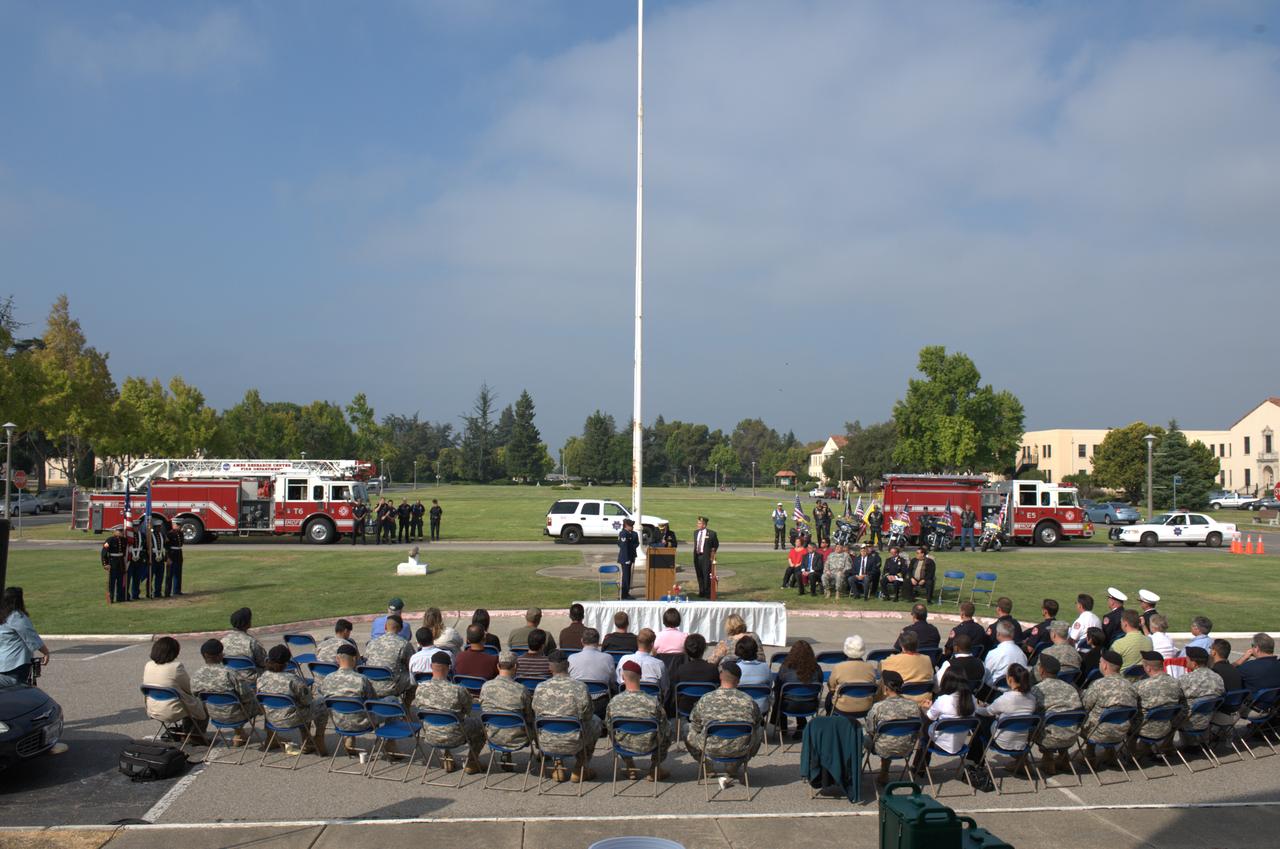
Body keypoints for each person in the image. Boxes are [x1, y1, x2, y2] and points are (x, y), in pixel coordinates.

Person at [684, 661, 764, 784]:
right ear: (738, 680)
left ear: (721, 676)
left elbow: (695, 725)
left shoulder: (706, 699)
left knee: (686, 728)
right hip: (741, 748)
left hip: (710, 747)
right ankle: (733, 767)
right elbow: (758, 724)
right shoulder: (749, 701)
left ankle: (707, 766)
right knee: (759, 731)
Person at [533, 651, 602, 782]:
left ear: (549, 667)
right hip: (574, 740)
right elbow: (588, 715)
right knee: (596, 721)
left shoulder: (540, 688)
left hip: (547, 741)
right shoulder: (580, 687)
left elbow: (536, 712)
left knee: (551, 722)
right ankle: (579, 767)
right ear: (568, 665)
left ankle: (558, 765)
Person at [414, 651, 484, 773]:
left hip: (430, 734)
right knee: (480, 725)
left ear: (431, 667)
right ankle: (472, 762)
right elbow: (468, 710)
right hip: (455, 736)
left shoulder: (421, 688)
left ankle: (447, 756)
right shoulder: (458, 690)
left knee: (441, 719)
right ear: (448, 668)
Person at [257, 644, 328, 755]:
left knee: (271, 703)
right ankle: (315, 739)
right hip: (291, 719)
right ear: (286, 662)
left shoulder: (262, 678)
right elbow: (308, 701)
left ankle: (271, 738)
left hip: (271, 718)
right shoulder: (293, 680)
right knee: (321, 703)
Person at [607, 660, 671, 780]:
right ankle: (654, 768)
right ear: (640, 676)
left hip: (623, 745)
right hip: (649, 744)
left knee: (612, 730)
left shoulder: (614, 702)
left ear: (622, 677)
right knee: (668, 729)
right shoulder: (653, 701)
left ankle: (630, 765)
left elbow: (608, 726)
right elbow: (665, 727)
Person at [190, 638, 258, 746]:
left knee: (232, 702)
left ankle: (240, 734)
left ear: (204, 655)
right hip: (236, 714)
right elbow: (247, 697)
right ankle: (272, 738)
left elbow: (195, 696)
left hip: (213, 714)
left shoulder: (197, 675)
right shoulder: (231, 673)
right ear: (221, 655)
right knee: (264, 702)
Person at [967, 663, 1037, 766]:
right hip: (1021, 743)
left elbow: (987, 712)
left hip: (1002, 742)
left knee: (979, 720)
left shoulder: (1006, 698)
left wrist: (976, 708)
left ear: (1010, 679)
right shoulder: (1032, 699)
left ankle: (977, 760)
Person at [142, 636, 208, 742]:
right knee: (200, 701)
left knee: (184, 699)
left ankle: (187, 732)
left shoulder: (148, 665)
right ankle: (195, 735)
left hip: (154, 708)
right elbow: (190, 689)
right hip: (172, 709)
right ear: (174, 652)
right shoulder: (176, 667)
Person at [913, 667, 977, 773]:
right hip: (960, 744)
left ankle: (919, 767)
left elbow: (930, 717)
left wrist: (925, 709)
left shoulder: (943, 700)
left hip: (940, 745)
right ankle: (919, 767)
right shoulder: (972, 699)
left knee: (923, 720)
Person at [865, 670, 923, 785]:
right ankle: (884, 772)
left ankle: (857, 773)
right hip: (907, 748)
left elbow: (870, 730)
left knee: (868, 738)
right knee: (890, 735)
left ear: (885, 688)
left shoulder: (878, 707)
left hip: (882, 748)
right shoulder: (914, 706)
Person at [317, 644, 376, 754]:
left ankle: (344, 738)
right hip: (361, 723)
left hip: (338, 722)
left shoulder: (328, 678)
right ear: (354, 659)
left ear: (337, 659)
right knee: (391, 702)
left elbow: (322, 694)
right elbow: (373, 702)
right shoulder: (361, 679)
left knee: (323, 701)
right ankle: (390, 746)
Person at [1081, 650, 1138, 764]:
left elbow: (1085, 707)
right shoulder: (1130, 686)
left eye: (1100, 662)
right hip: (1122, 732)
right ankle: (1110, 753)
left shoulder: (1098, 685)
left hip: (1098, 732)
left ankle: (1090, 756)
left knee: (1085, 718)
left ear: (1105, 665)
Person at [480, 650, 534, 768]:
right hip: (517, 738)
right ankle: (550, 759)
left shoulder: (486, 686)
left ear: (498, 666)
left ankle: (504, 753)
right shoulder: (521, 689)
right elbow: (529, 717)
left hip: (492, 736)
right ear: (515, 666)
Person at [1030, 654, 1083, 775]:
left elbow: (1032, 714)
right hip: (1072, 737)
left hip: (1049, 739)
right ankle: (1063, 758)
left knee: (1032, 722)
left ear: (1041, 670)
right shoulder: (1070, 688)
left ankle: (1048, 759)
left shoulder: (1037, 689)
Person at [1133, 650, 1186, 752]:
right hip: (1168, 727)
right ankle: (1165, 746)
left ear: (1148, 668)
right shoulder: (1176, 683)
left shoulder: (1140, 686)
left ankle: (1132, 754)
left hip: (1144, 729)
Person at [773, 640, 822, 739]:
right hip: (810, 706)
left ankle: (783, 727)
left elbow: (778, 685)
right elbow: (820, 684)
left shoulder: (785, 668)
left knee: (781, 694)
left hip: (788, 706)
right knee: (799, 695)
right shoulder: (816, 669)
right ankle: (801, 725)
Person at [0, 588, 48, 686]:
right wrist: (45, 652)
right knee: (17, 689)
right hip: (16, 663)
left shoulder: (2, 616)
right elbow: (31, 637)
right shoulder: (17, 616)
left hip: (3, 662)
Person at [364, 615, 414, 704]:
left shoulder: (371, 643)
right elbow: (412, 665)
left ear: (385, 627)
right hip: (391, 686)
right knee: (414, 679)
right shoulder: (404, 644)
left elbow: (366, 661)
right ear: (400, 629)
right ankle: (406, 708)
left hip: (371, 685)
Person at [669, 633, 721, 717]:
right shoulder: (712, 669)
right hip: (707, 707)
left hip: (685, 707)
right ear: (704, 649)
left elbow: (675, 691)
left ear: (686, 650)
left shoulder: (681, 669)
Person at [826, 635, 877, 719]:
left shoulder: (839, 667)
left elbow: (831, 687)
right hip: (866, 707)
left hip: (843, 708)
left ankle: (829, 718)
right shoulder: (870, 667)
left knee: (829, 696)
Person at [1177, 646, 1225, 737]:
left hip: (1188, 722)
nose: (1186, 661)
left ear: (1194, 664)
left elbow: (1174, 697)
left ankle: (1166, 747)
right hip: (1209, 719)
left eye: (1187, 659)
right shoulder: (1217, 677)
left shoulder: (1186, 679)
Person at [569, 628, 617, 715]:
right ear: (598, 642)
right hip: (600, 705)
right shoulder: (608, 658)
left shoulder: (571, 658)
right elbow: (613, 681)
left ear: (582, 641)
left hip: (577, 704)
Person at [882, 630, 933, 706]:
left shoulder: (892, 660)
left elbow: (882, 668)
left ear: (902, 646)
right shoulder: (927, 659)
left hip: (903, 701)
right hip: (924, 700)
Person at [615, 628, 667, 696]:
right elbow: (664, 687)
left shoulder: (624, 659)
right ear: (652, 644)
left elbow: (618, 681)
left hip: (627, 701)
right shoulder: (659, 664)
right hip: (651, 703)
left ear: (637, 642)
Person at [222, 607, 266, 685]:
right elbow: (264, 662)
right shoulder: (251, 642)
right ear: (247, 623)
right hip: (250, 678)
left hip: (230, 677)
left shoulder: (223, 641)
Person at [982, 621, 1025, 696]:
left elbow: (986, 676)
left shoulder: (994, 653)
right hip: (1016, 690)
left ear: (998, 634)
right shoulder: (1022, 654)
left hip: (994, 693)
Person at [731, 636, 772, 714]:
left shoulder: (734, 668)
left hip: (739, 709)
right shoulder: (765, 667)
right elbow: (769, 687)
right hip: (761, 709)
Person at [691, 516, 719, 599]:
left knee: (706, 575)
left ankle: (708, 593)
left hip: (706, 557)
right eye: (698, 523)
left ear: (704, 525)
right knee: (699, 574)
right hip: (697, 556)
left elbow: (716, 544)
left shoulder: (711, 534)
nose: (697, 524)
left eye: (699, 523)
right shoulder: (695, 533)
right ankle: (701, 591)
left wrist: (712, 554)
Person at [101, 527, 130, 604]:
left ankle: (120, 597)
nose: (121, 532)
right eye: (119, 531)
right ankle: (111, 598)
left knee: (120, 581)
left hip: (121, 562)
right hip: (112, 562)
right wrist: (105, 564)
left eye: (121, 531)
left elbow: (125, 552)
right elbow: (104, 552)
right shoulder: (109, 540)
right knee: (112, 581)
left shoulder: (124, 540)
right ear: (115, 531)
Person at [617, 518, 640, 600]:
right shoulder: (623, 533)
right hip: (625, 558)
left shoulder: (634, 533)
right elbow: (622, 546)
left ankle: (626, 592)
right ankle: (624, 594)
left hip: (631, 556)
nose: (632, 526)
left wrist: (631, 547)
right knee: (626, 576)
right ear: (626, 525)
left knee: (628, 576)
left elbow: (637, 543)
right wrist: (627, 558)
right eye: (631, 525)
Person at [164, 522, 185, 597]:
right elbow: (166, 547)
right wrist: (168, 557)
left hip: (178, 554)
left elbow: (181, 544)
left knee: (178, 573)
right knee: (169, 574)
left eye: (180, 525)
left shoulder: (180, 533)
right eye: (177, 525)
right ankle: (167, 591)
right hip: (171, 554)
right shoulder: (169, 534)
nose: (179, 527)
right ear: (173, 525)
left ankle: (177, 590)